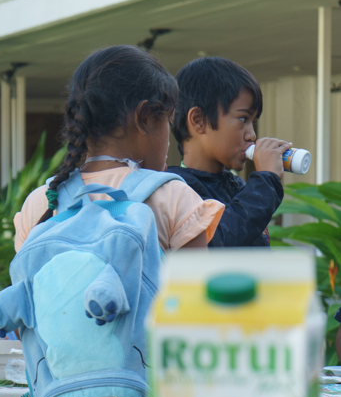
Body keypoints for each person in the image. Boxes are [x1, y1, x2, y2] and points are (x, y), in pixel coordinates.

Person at [14, 45, 224, 252]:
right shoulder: (174, 197)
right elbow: (191, 285)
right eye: (167, 122)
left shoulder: (42, 202)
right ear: (146, 118)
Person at [167, 57, 290, 247]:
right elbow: (220, 238)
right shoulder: (176, 189)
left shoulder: (236, 185)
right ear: (198, 121)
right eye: (243, 119)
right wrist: (267, 180)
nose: (252, 135)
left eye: (254, 122)